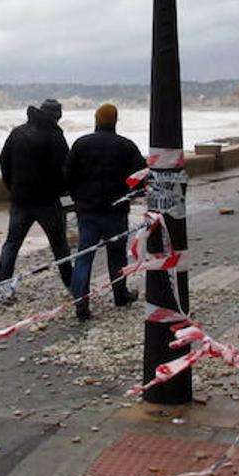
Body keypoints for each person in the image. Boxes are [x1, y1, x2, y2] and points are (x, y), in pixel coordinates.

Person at [65, 103, 145, 321]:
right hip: (115, 210)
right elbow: (141, 176)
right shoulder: (126, 146)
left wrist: (78, 198)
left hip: (88, 210)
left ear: (96, 120)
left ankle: (80, 300)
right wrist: (130, 194)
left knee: (84, 256)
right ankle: (120, 294)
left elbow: (68, 176)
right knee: (117, 254)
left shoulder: (81, 144)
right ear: (115, 120)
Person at [0, 99, 72, 296]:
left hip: (20, 199)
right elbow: (64, 169)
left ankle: (3, 286)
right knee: (59, 244)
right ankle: (71, 284)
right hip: (47, 201)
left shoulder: (18, 132)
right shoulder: (55, 135)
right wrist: (63, 190)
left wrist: (11, 187)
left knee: (12, 243)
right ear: (56, 116)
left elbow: (4, 160)